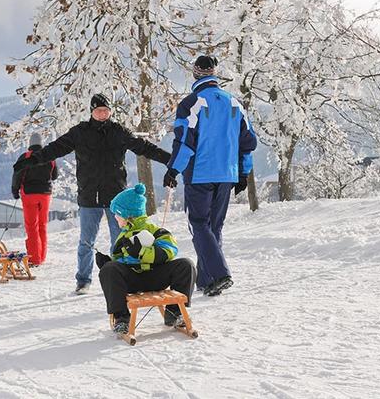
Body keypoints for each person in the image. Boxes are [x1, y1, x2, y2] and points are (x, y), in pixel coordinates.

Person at [13, 93, 171, 294]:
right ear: (92, 112)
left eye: (106, 110)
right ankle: (83, 280)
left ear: (110, 112)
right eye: (99, 110)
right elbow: (55, 149)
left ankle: (123, 278)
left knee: (121, 240)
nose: (103, 114)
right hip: (89, 197)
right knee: (86, 241)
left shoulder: (119, 132)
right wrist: (31, 160)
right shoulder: (80, 133)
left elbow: (144, 148)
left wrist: (169, 160)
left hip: (116, 201)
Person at [163, 55, 257, 296]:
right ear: (215, 73)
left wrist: (173, 169)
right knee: (213, 226)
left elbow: (185, 141)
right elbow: (248, 142)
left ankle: (219, 273)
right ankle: (207, 282)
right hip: (227, 174)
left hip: (200, 173)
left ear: (195, 74)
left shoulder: (192, 102)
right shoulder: (234, 103)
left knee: (198, 224)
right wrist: (243, 173)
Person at [95, 183, 196, 334]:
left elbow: (169, 250)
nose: (115, 218)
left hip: (156, 275)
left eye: (118, 215)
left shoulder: (155, 231)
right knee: (109, 270)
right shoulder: (122, 236)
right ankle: (121, 318)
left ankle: (174, 313)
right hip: (133, 279)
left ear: (128, 216)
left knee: (186, 265)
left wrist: (142, 252)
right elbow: (120, 261)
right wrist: (109, 263)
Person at [11, 132, 57, 267]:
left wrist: (15, 190)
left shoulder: (25, 157)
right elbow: (54, 176)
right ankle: (42, 257)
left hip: (29, 194)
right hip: (45, 194)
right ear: (41, 143)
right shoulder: (50, 157)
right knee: (42, 225)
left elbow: (17, 175)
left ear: (29, 144)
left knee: (32, 227)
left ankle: (34, 259)